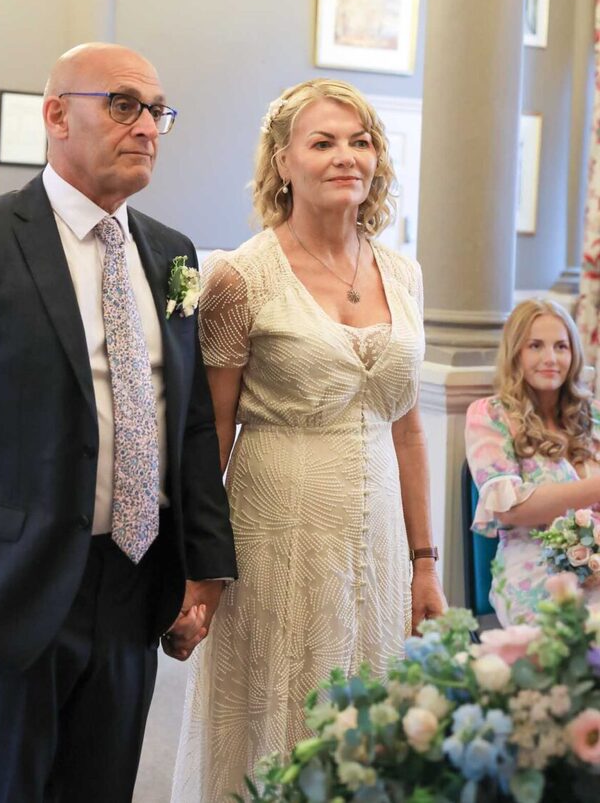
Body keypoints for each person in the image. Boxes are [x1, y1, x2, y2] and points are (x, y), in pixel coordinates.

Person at [0, 43, 236, 803]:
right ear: (57, 115)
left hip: (135, 587)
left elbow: (190, 424)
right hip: (10, 591)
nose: (147, 126)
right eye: (123, 105)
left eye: (157, 111)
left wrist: (204, 566)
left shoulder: (171, 254)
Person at [170, 78, 446, 803]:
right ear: (282, 161)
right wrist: (198, 565)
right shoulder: (241, 276)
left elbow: (408, 430)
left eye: (361, 142)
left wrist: (425, 564)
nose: (346, 156)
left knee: (370, 720)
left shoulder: (404, 273)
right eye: (323, 142)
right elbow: (213, 433)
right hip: (274, 533)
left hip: (379, 537)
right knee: (278, 721)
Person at [465, 298, 600, 625]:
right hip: (534, 574)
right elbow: (511, 509)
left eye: (561, 346)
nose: (550, 358)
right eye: (535, 346)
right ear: (516, 353)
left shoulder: (593, 416)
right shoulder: (491, 415)